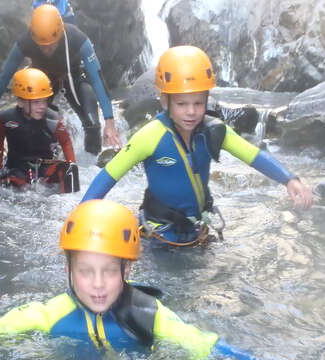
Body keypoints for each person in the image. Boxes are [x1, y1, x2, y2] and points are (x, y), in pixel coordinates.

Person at [0, 200, 257, 359]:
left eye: (110, 271)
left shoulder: (148, 314)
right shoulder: (50, 314)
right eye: (85, 271)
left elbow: (204, 345)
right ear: (68, 271)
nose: (99, 284)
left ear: (128, 271)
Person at [81, 46, 313, 247]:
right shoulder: (150, 135)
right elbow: (108, 176)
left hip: (197, 232)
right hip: (160, 236)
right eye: (182, 104)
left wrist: (289, 179)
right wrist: (80, 222)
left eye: (198, 103)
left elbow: (253, 155)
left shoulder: (214, 130)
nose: (191, 112)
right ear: (164, 100)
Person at [0, 4, 122, 156]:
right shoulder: (25, 41)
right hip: (42, 78)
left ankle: (92, 163)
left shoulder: (77, 39)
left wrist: (110, 123)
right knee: (33, 124)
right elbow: (4, 76)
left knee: (93, 124)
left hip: (73, 74)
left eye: (51, 45)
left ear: (60, 34)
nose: (47, 50)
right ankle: (49, 159)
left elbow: (97, 79)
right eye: (42, 46)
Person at [0, 67, 79, 193]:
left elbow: (66, 142)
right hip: (17, 167)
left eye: (44, 101)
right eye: (37, 102)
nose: (42, 106)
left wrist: (72, 166)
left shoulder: (53, 119)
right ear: (21, 102)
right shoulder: (7, 118)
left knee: (67, 172)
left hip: (44, 167)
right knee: (10, 182)